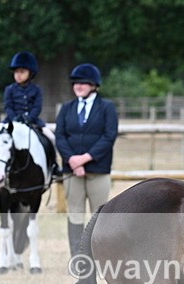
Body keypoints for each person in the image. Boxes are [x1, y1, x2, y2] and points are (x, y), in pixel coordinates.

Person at [54, 63, 118, 257]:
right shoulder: (67, 108)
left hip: (98, 170)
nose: (78, 86)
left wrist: (85, 159)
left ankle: (99, 256)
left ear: (94, 85)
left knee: (98, 216)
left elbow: (109, 136)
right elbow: (60, 137)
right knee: (74, 214)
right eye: (76, 82)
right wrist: (72, 160)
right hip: (72, 171)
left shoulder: (107, 108)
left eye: (83, 82)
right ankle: (78, 258)